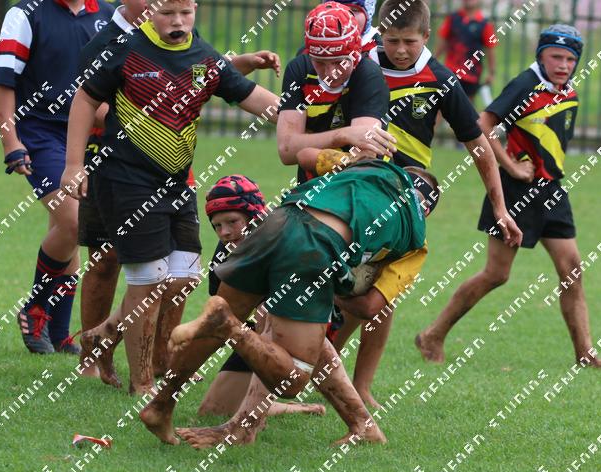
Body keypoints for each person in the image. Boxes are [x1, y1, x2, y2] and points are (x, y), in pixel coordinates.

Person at [61, 0, 280, 396]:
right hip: (126, 181)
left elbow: (251, 95)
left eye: (185, 12)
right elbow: (85, 100)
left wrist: (301, 122)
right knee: (147, 279)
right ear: (150, 11)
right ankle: (142, 382)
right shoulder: (125, 48)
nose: (178, 22)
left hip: (177, 183)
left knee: (183, 277)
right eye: (167, 13)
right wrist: (74, 164)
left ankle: (103, 334)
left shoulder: (202, 53)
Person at [137, 157, 431, 448]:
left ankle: (160, 407)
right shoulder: (416, 239)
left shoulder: (370, 166)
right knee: (293, 379)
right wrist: (335, 285)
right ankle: (229, 326)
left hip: (276, 220)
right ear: (425, 209)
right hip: (313, 245)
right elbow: (369, 308)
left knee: (295, 338)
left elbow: (309, 157)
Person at [325, 0, 521, 408]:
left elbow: (478, 146)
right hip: (350, 192)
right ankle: (320, 369)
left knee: (382, 295)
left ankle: (359, 385)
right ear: (380, 34)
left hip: (404, 203)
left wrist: (500, 208)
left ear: (426, 37)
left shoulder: (440, 79)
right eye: (392, 40)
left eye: (409, 42)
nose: (400, 50)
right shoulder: (361, 66)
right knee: (344, 285)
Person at [416, 25, 601, 370]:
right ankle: (432, 335)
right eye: (555, 57)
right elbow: (481, 124)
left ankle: (586, 355)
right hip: (516, 193)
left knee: (572, 270)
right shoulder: (525, 84)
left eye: (570, 59)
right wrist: (511, 165)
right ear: (541, 55)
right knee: (496, 274)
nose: (563, 65)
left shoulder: (567, 91)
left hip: (552, 190)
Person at [0, 0, 115, 355]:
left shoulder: (109, 15)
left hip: (89, 135)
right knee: (74, 222)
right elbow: (3, 82)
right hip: (40, 133)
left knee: (66, 229)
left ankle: (60, 333)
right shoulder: (26, 14)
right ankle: (34, 309)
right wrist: (11, 142)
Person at [196, 174, 326, 418]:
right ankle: (291, 408)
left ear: (255, 217)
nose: (225, 232)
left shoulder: (285, 242)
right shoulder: (223, 259)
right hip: (254, 336)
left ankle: (359, 418)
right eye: (217, 226)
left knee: (268, 312)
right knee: (212, 411)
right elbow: (226, 319)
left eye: (232, 222)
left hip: (300, 332)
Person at [277, 1, 395, 184]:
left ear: (355, 52)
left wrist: (308, 148)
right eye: (319, 62)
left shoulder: (369, 74)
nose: (330, 72)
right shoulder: (299, 69)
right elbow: (286, 150)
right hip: (310, 186)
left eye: (339, 62)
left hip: (364, 184)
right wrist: (343, 135)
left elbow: (365, 155)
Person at [435, 0, 496, 104]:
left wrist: (491, 72)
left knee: (466, 107)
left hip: (471, 75)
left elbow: (491, 49)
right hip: (450, 71)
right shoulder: (452, 18)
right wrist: (434, 59)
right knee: (442, 105)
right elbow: (443, 41)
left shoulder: (485, 23)